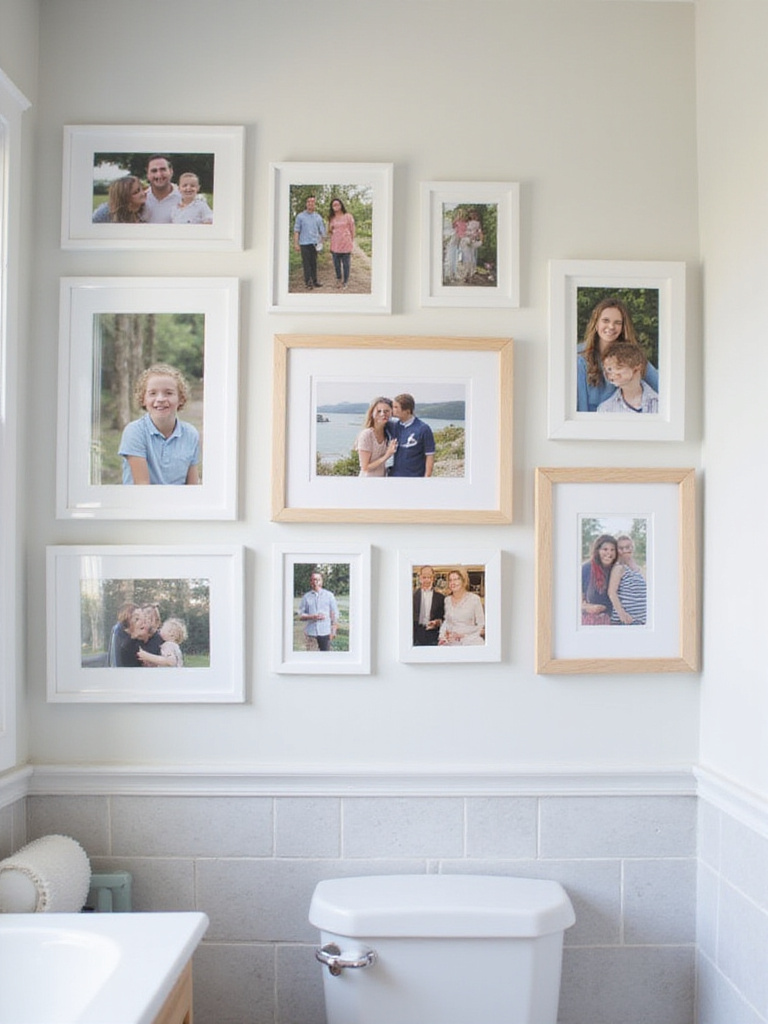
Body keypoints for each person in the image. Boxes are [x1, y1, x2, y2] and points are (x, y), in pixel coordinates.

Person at [119, 364, 200, 486]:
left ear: (181, 399)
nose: (160, 399)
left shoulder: (191, 434)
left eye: (168, 393)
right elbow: (142, 485)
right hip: (143, 502)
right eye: (152, 393)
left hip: (180, 503)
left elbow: (193, 486)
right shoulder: (134, 432)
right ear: (143, 399)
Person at [577, 297, 659, 412]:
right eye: (606, 321)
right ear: (596, 324)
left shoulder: (631, 355)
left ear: (622, 327)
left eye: (617, 323)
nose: (611, 326)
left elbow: (662, 387)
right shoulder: (579, 358)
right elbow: (580, 407)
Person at [597, 342, 659, 414]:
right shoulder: (605, 409)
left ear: (637, 369)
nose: (611, 374)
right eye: (608, 369)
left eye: (618, 367)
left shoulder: (662, 404)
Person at [388, 393, 435, 478]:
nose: (392, 410)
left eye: (396, 407)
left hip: (415, 477)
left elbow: (429, 455)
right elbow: (375, 425)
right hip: (394, 477)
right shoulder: (394, 426)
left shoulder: (423, 429)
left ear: (408, 410)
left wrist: (427, 478)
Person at [438, 568, 485, 645]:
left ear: (464, 581)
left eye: (456, 579)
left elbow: (481, 626)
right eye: (450, 580)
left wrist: (463, 636)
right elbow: (447, 621)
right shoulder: (447, 600)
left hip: (471, 641)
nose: (453, 583)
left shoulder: (474, 599)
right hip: (450, 642)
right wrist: (442, 636)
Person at [354, 396, 398, 477]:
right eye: (379, 411)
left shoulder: (387, 432)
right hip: (367, 480)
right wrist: (387, 455)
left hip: (381, 479)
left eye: (386, 411)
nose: (383, 414)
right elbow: (365, 467)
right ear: (372, 413)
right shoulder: (367, 435)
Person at [608, 535, 647, 625]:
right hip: (626, 622)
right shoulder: (619, 568)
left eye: (628, 547)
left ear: (632, 548)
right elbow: (611, 592)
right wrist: (622, 614)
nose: (625, 550)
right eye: (621, 548)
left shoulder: (639, 569)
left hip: (642, 621)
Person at [581, 534, 618, 625]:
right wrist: (586, 607)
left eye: (612, 550)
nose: (609, 553)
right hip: (592, 621)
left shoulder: (618, 570)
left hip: (615, 621)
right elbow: (574, 600)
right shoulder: (586, 568)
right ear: (597, 551)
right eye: (605, 549)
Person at [298, 572, 339, 651]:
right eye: (313, 580)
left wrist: (333, 631)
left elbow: (334, 614)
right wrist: (312, 616)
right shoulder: (306, 597)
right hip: (311, 634)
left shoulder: (329, 595)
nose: (315, 582)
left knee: (325, 658)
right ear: (310, 582)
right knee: (311, 659)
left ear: (322, 581)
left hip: (325, 633)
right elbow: (300, 615)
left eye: (318, 580)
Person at [293, 195, 326, 289]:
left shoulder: (318, 217)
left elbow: (322, 231)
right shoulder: (300, 216)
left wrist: (321, 243)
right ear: (306, 204)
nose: (310, 203)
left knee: (314, 263)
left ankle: (315, 281)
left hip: (314, 244)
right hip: (304, 244)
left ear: (315, 204)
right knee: (306, 263)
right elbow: (296, 230)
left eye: (312, 202)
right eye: (308, 202)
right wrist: (296, 243)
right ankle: (308, 282)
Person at [413, 565, 445, 646]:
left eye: (429, 577)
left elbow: (444, 618)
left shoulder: (441, 598)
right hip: (415, 635)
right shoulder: (411, 596)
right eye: (424, 577)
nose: (427, 580)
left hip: (433, 635)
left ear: (433, 578)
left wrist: (437, 622)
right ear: (420, 578)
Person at [143, 154, 181, 223]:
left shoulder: (185, 198)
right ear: (147, 174)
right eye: (154, 171)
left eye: (163, 169)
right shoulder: (141, 199)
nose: (159, 175)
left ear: (171, 171)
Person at [328, 197, 355, 289]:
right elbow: (330, 231)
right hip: (335, 244)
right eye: (333, 205)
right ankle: (338, 278)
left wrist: (352, 241)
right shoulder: (332, 218)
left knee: (346, 264)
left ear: (341, 205)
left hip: (346, 244)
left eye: (337, 204)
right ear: (332, 207)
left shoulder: (348, 216)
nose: (335, 206)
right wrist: (330, 229)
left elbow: (352, 230)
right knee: (336, 264)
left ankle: (345, 281)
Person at [458, 208, 483, 282]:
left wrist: (481, 240)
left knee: (472, 258)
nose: (472, 215)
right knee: (466, 258)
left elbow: (480, 232)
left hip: (473, 242)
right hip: (465, 241)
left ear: (475, 214)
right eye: (470, 213)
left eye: (473, 213)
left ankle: (471, 274)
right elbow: (462, 232)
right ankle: (465, 274)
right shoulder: (466, 222)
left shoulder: (478, 223)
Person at [443, 208, 467, 283]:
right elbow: (453, 226)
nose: (461, 215)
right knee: (451, 257)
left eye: (462, 214)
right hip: (454, 240)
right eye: (460, 214)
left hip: (459, 242)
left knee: (456, 258)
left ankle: (454, 274)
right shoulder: (457, 222)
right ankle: (449, 275)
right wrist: (457, 219)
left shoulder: (465, 223)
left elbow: (464, 232)